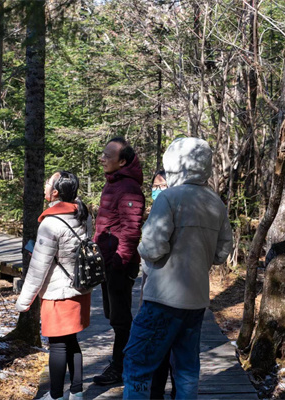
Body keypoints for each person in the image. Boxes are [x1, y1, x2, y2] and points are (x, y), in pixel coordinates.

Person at [122, 137, 233, 399]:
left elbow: (151, 248)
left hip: (162, 297)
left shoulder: (169, 198)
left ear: (174, 163)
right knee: (186, 367)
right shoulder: (215, 203)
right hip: (196, 301)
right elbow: (221, 252)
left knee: (138, 363)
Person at [16, 171, 91, 400]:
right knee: (72, 340)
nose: (45, 186)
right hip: (80, 287)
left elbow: (39, 268)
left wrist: (24, 301)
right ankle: (76, 392)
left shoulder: (50, 223)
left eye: (48, 183)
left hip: (59, 292)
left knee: (58, 345)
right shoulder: (83, 214)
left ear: (56, 192)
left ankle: (56, 395)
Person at [93, 137, 145, 386]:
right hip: (108, 261)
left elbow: (132, 230)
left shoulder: (129, 189)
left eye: (107, 155)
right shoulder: (114, 183)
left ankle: (122, 367)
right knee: (114, 316)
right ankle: (124, 361)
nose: (102, 159)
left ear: (122, 161)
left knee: (121, 318)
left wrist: (119, 263)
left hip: (118, 263)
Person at [147, 169, 176, 400]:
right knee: (165, 353)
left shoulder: (172, 208)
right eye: (154, 186)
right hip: (158, 290)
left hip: (167, 292)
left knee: (165, 351)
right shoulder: (156, 210)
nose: (157, 190)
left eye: (162, 185)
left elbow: (153, 250)